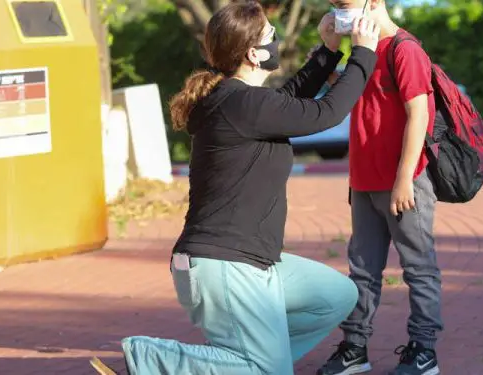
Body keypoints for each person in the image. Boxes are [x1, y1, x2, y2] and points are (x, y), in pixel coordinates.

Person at [88, 1, 379, 374]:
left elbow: (287, 100)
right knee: (268, 370)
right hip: (222, 265)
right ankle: (151, 357)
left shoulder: (234, 99)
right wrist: (363, 53)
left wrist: (327, 51)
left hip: (245, 262)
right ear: (255, 54)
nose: (278, 39)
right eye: (271, 35)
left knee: (336, 296)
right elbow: (328, 112)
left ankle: (243, 362)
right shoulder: (241, 103)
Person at [316, 0, 442, 375]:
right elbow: (352, 97)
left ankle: (423, 350)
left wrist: (404, 178)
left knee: (418, 268)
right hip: (365, 181)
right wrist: (328, 50)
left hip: (403, 183)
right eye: (335, 5)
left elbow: (419, 114)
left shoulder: (405, 50)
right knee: (362, 270)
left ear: (374, 2)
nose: (339, 9)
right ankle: (355, 348)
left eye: (346, 4)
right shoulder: (363, 49)